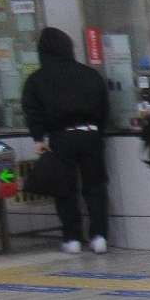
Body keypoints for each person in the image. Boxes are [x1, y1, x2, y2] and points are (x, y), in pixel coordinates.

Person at [20, 28, 111, 255]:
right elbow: (104, 107)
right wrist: (98, 132)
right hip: (91, 134)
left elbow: (33, 112)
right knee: (95, 187)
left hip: (61, 137)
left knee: (65, 189)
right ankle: (99, 237)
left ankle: (72, 238)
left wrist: (38, 137)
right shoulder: (90, 74)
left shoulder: (37, 79)